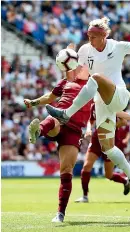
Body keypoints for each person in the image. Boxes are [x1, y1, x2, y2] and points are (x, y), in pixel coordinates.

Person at [45, 16, 130, 200]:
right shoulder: (85, 50)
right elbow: (79, 77)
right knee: (108, 148)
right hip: (102, 104)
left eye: (92, 36)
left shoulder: (117, 46)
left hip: (118, 95)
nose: (89, 39)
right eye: (88, 35)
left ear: (103, 36)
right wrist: (67, 64)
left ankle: (66, 114)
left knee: (97, 77)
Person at [24, 66, 92, 223]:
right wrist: (33, 102)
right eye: (78, 64)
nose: (80, 67)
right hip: (59, 118)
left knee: (66, 170)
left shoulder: (93, 85)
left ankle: (60, 213)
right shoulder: (65, 81)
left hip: (74, 130)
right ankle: (37, 131)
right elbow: (50, 97)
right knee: (52, 119)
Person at [75, 103, 130, 203]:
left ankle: (125, 181)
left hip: (110, 140)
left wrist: (109, 127)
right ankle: (85, 196)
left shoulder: (111, 104)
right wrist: (88, 129)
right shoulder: (95, 105)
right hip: (96, 140)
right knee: (86, 166)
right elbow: (91, 120)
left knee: (108, 175)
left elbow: (123, 122)